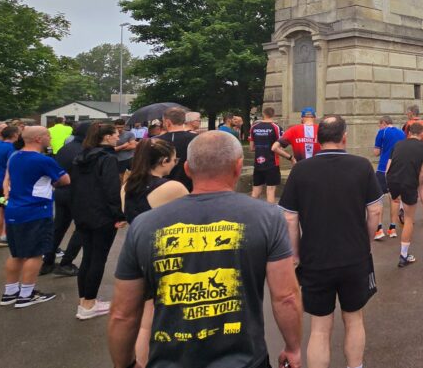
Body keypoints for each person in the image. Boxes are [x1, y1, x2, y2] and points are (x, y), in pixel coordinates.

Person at [107, 131, 303, 368]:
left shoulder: (144, 225)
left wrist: (124, 364)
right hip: (245, 360)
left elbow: (123, 314)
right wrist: (292, 348)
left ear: (188, 169)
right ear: (238, 167)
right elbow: (286, 297)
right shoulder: (267, 217)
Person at [279, 115, 381, 368]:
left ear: (317, 139)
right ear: (344, 137)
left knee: (320, 327)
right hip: (354, 256)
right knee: (354, 318)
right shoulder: (362, 166)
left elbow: (289, 219)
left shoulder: (301, 170)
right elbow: (376, 211)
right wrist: (366, 243)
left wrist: (296, 255)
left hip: (316, 258)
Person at [120, 137, 188, 366]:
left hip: (138, 252)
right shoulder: (172, 187)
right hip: (165, 255)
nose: (175, 163)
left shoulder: (127, 186)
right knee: (154, 320)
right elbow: (193, 217)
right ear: (162, 160)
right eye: (174, 159)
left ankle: (140, 362)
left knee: (144, 318)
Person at [0, 126, 70, 308]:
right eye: (47, 135)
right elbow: (65, 180)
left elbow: (8, 178)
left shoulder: (15, 156)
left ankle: (10, 292)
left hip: (14, 209)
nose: (50, 137)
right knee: (35, 254)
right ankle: (26, 294)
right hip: (36, 211)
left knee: (16, 254)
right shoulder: (42, 160)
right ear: (39, 139)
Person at [70, 122, 125, 320]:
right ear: (107, 137)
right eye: (116, 134)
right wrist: (119, 215)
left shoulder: (81, 157)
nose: (118, 137)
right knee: (98, 258)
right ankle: (89, 305)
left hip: (82, 213)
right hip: (102, 215)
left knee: (87, 257)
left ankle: (84, 300)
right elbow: (111, 189)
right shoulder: (108, 158)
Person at [44, 121, 88, 276]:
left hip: (61, 192)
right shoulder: (86, 150)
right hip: (78, 194)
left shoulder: (64, 148)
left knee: (58, 227)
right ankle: (66, 262)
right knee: (83, 228)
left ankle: (47, 262)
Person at [385, 122, 423, 267]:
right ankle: (404, 255)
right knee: (409, 219)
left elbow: (388, 168)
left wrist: (390, 184)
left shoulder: (398, 145)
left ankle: (393, 225)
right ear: (422, 133)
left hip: (393, 180)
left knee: (396, 202)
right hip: (409, 181)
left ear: (409, 133)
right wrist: (417, 186)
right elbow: (422, 173)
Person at [373, 116, 406, 238]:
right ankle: (392, 228)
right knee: (395, 198)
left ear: (384, 123)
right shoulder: (402, 133)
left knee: (379, 198)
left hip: (383, 169)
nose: (379, 127)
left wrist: (380, 150)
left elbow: (376, 152)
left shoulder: (383, 132)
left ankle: (379, 229)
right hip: (397, 168)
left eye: (379, 124)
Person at [153, 107, 197, 192]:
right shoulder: (197, 139)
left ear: (167, 122)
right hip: (189, 186)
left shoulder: (156, 141)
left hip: (161, 186)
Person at [248, 107, 283, 204]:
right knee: (270, 191)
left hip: (258, 163)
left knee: (256, 191)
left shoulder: (254, 127)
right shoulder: (276, 128)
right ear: (273, 114)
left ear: (263, 114)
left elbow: (251, 148)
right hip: (272, 163)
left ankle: (249, 213)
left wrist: (260, 148)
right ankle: (270, 216)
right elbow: (279, 147)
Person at [0, 124, 18, 248]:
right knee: (7, 208)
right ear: (15, 135)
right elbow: (12, 167)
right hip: (4, 183)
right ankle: (4, 236)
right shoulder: (11, 148)